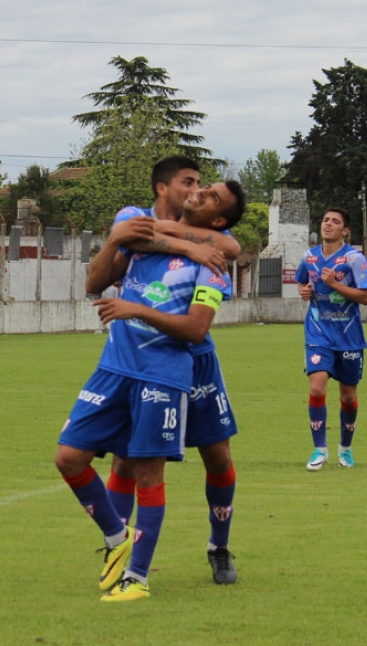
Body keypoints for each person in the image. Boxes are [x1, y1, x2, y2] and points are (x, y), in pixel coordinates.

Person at [56, 179, 244, 602]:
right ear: (165, 187)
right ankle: (120, 553)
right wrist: (181, 243)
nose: (197, 189)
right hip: (134, 362)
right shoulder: (139, 221)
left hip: (191, 361)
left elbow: (228, 251)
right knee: (125, 460)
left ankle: (218, 546)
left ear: (218, 218)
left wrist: (188, 245)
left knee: (217, 457)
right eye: (191, 182)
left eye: (206, 190)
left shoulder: (217, 248)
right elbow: (121, 242)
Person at [296, 207, 367, 471]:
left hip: (349, 337)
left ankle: (345, 448)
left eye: (335, 221)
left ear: (345, 230)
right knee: (317, 388)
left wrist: (335, 285)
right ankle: (320, 449)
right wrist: (304, 291)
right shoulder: (309, 256)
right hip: (318, 333)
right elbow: (302, 283)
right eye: (325, 220)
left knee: (348, 397)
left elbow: (365, 297)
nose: (328, 224)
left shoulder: (354, 259)